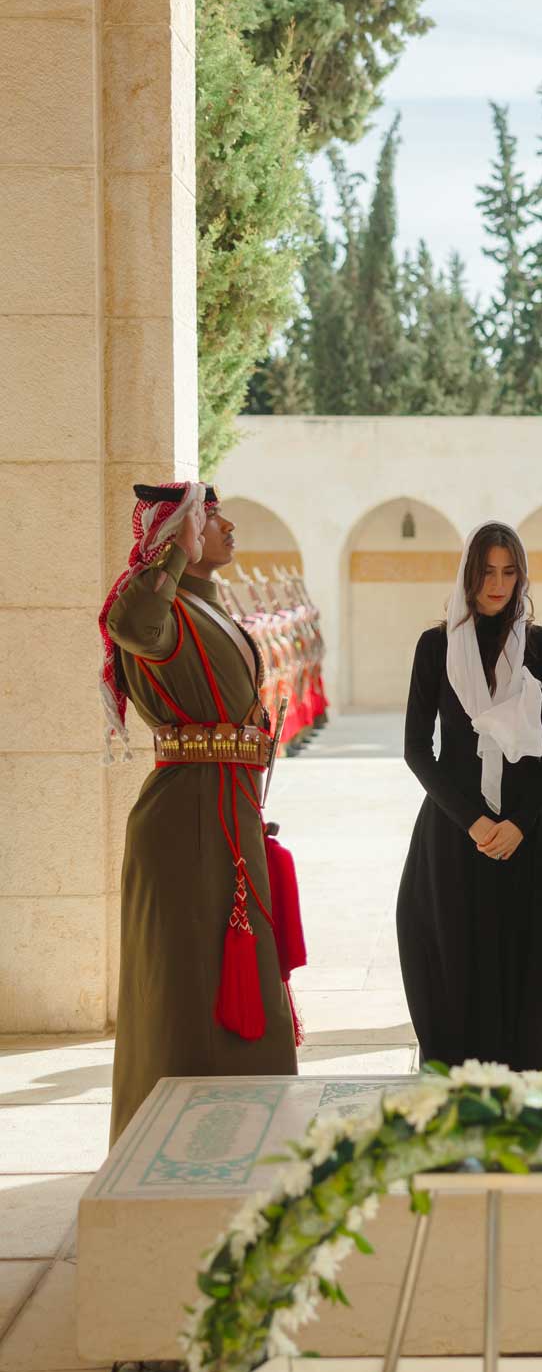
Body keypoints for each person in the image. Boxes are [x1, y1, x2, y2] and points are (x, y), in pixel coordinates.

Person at [102, 483, 299, 1145]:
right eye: (210, 519)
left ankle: (247, 1132)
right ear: (179, 534)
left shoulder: (205, 606)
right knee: (187, 986)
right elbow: (132, 626)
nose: (227, 527)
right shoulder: (161, 607)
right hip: (185, 819)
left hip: (227, 810)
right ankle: (170, 1142)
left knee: (241, 973)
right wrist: (170, 556)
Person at [396, 522, 542, 1069]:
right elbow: (417, 749)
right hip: (455, 834)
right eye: (487, 571)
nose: (498, 584)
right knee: (452, 960)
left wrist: (517, 822)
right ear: (469, 575)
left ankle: (526, 1087)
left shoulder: (540, 646)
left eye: (509, 572)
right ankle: (455, 1088)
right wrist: (474, 821)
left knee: (527, 960)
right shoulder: (436, 646)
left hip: (527, 834)